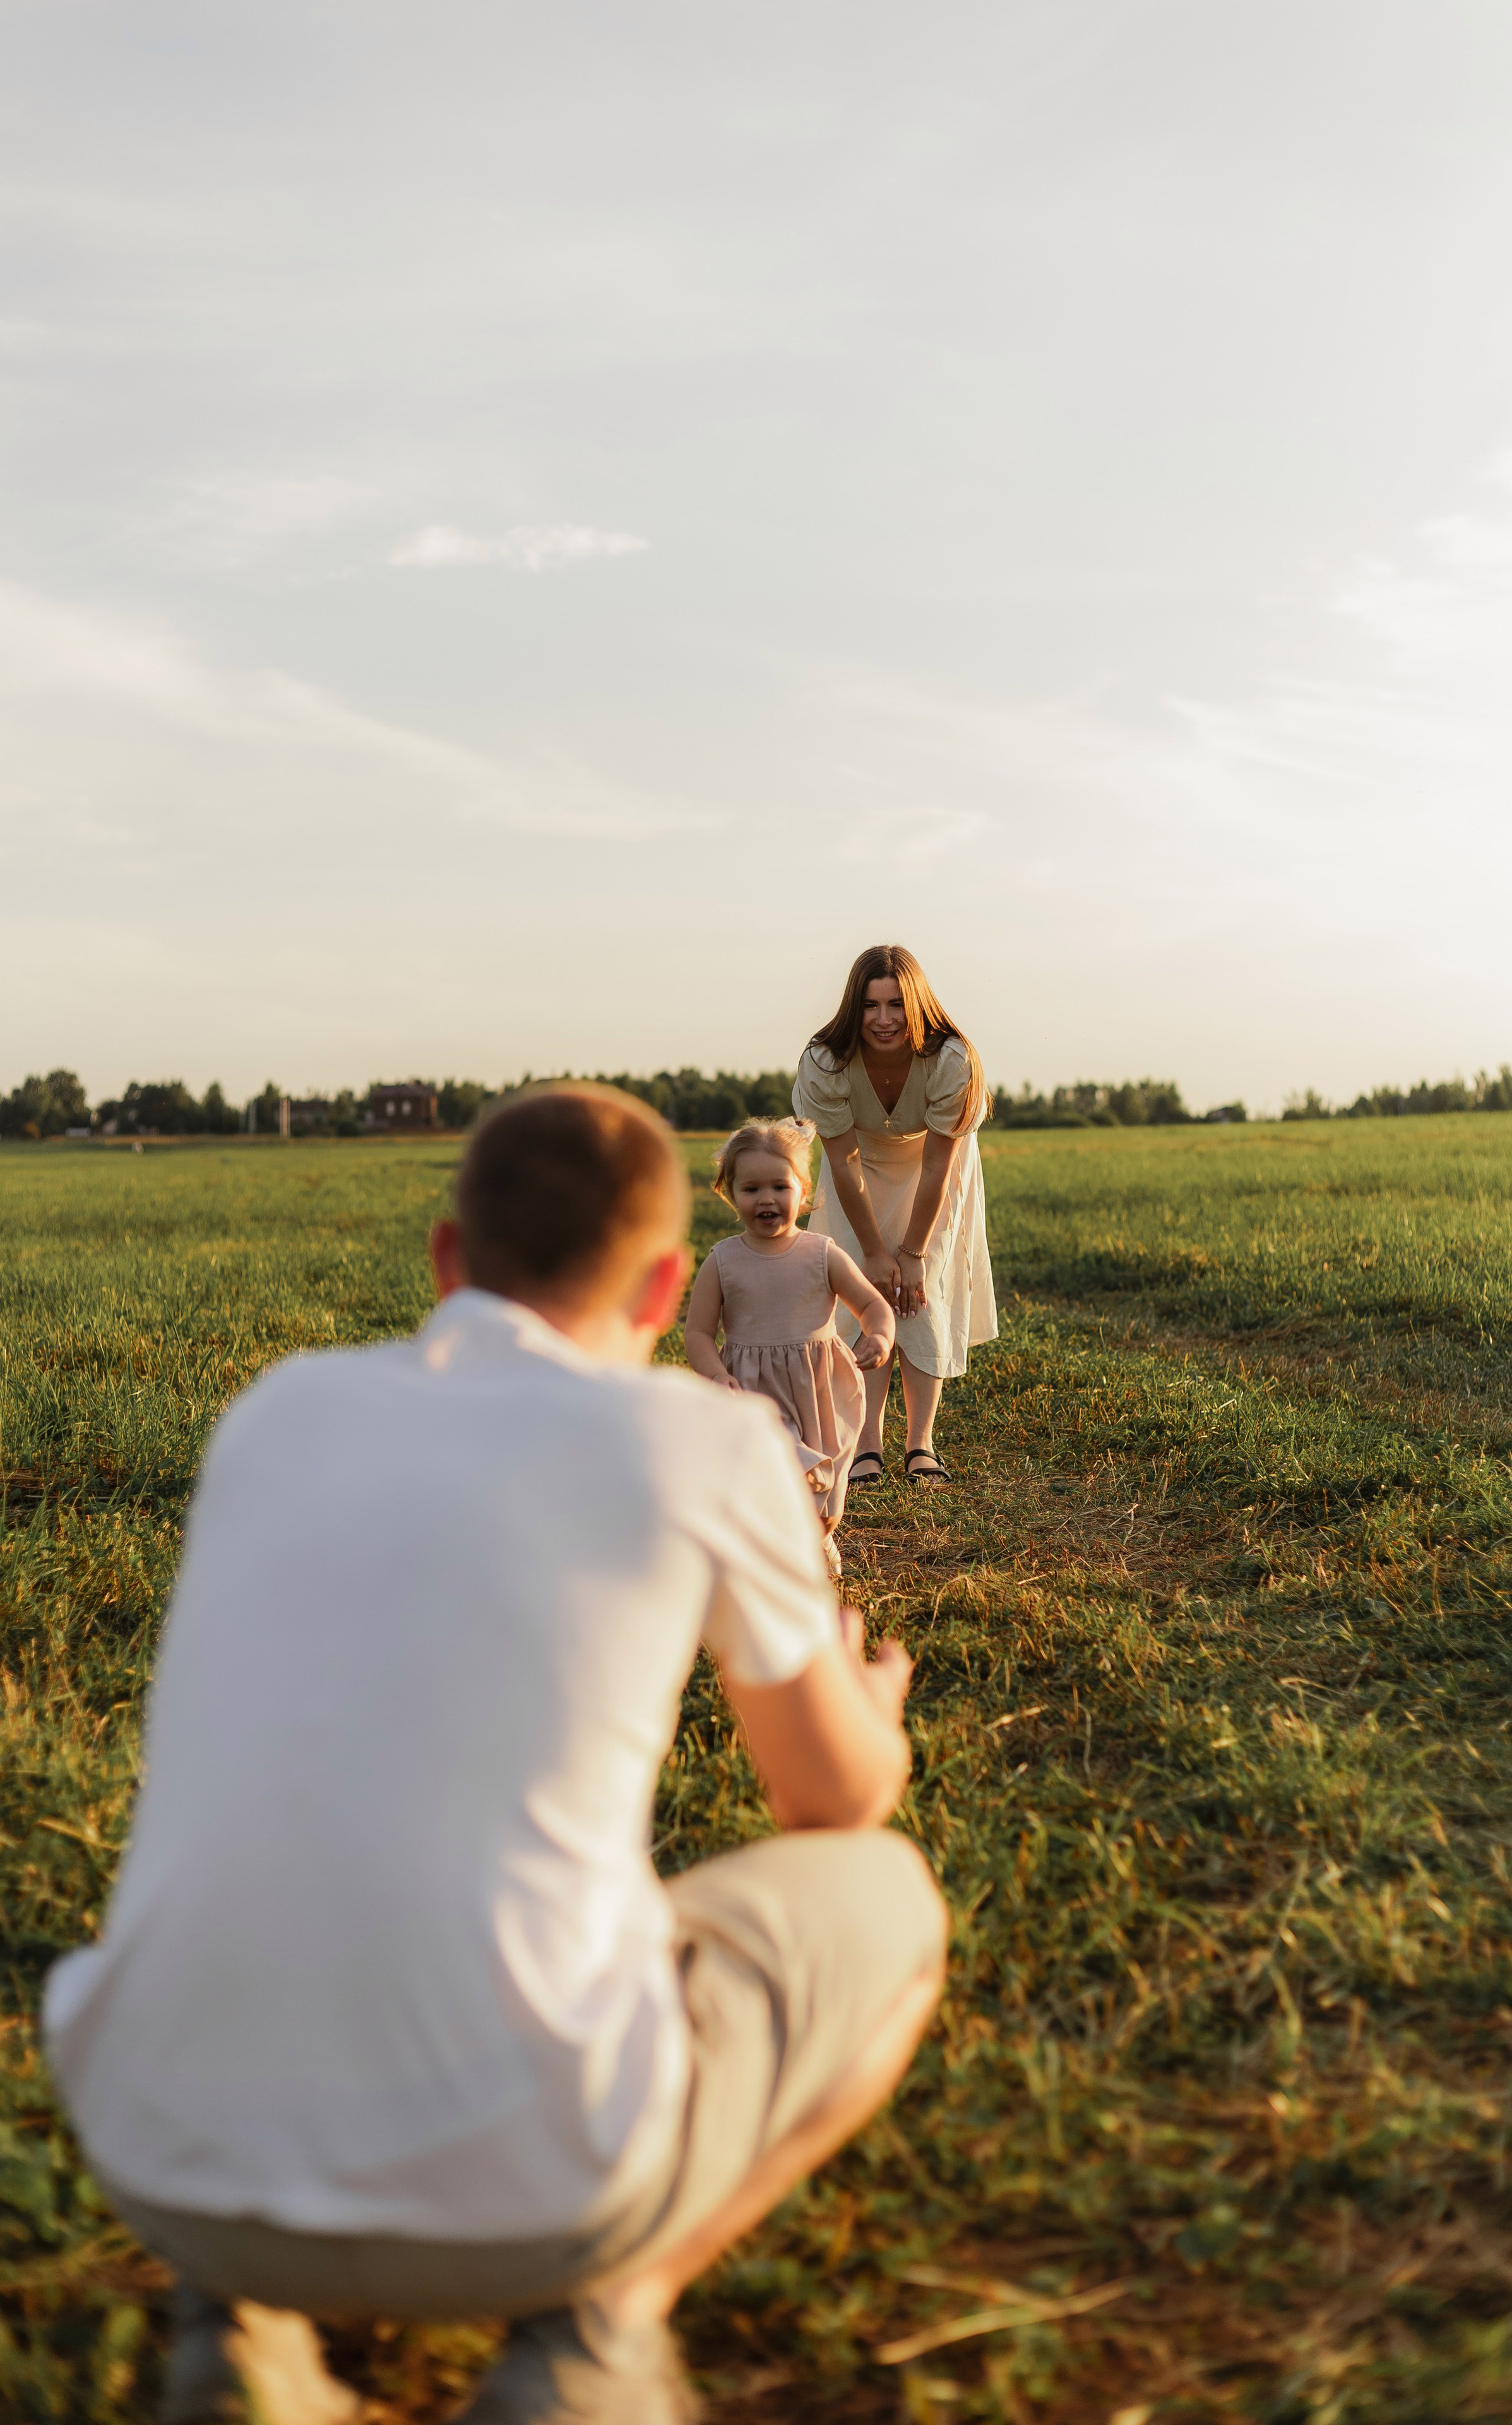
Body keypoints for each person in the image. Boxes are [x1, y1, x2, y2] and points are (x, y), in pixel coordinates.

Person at [43, 1086, 946, 2425]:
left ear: (447, 1260)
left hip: (159, 2161)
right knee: (892, 1902)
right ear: (664, 1289)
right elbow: (832, 1797)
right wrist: (867, 1711)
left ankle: (233, 2331)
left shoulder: (276, 1412)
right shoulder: (704, 1442)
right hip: (541, 2194)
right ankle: (593, 2338)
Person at [792, 943, 997, 1487]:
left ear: (917, 1004)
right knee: (865, 1291)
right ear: (853, 1008)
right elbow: (842, 1160)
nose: (883, 1020)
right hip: (857, 1171)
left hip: (933, 1168)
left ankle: (920, 1444)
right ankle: (867, 1446)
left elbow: (937, 1165)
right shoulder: (825, 1063)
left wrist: (911, 1253)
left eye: (896, 1005)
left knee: (920, 1293)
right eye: (870, 1005)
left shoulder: (952, 1061)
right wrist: (875, 1252)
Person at [684, 1118, 896, 1575]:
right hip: (753, 1391)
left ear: (803, 1190)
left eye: (780, 1187)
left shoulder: (822, 1253)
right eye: (751, 1189)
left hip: (819, 1388)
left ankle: (817, 1539)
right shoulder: (723, 1261)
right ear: (730, 1193)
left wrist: (879, 1335)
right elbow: (698, 1332)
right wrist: (716, 1374)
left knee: (823, 1493)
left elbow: (872, 1305)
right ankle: (772, 1558)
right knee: (774, 1474)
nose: (767, 1199)